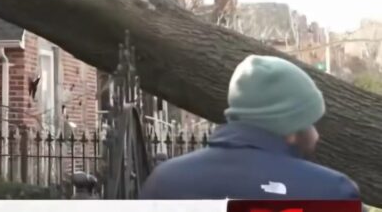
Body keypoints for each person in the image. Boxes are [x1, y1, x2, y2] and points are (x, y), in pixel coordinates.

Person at [140, 55, 360, 200]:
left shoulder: (164, 183)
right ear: (290, 129)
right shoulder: (331, 192)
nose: (316, 134)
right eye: (309, 122)